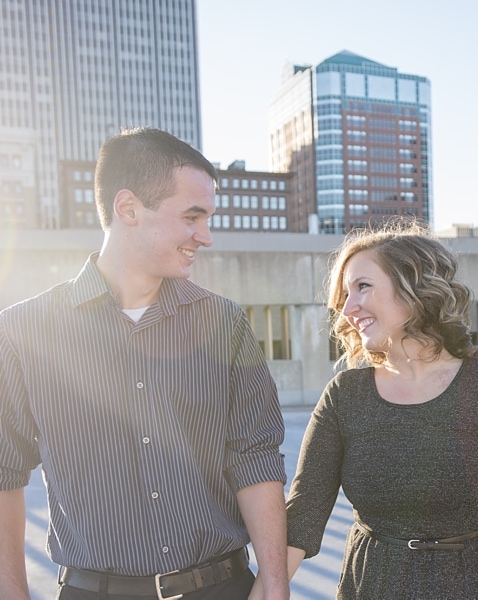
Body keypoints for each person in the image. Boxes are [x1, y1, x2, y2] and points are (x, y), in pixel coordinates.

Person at [0, 128, 289, 600]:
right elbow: (3, 472)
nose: (207, 236)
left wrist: (274, 582)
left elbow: (254, 455)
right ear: (128, 208)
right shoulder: (20, 333)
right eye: (192, 217)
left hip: (221, 589)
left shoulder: (223, 321)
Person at [285, 223, 478, 599]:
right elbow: (304, 512)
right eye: (345, 294)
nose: (347, 309)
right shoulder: (345, 396)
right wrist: (267, 590)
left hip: (476, 586)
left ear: (414, 288)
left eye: (362, 286)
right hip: (373, 586)